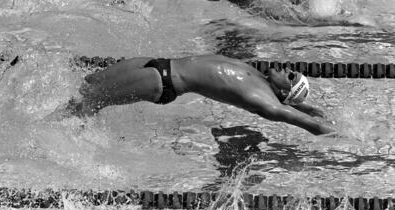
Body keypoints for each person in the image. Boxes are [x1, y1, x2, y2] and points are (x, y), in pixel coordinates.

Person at [51, 55, 335, 135]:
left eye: (291, 75)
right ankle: (62, 124)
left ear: (286, 89)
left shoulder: (263, 100)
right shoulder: (257, 75)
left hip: (162, 82)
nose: (287, 69)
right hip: (157, 63)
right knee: (88, 85)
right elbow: (297, 104)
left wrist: (341, 132)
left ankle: (52, 134)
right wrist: (308, 107)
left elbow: (300, 121)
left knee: (89, 102)